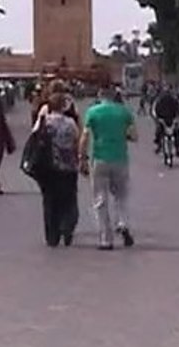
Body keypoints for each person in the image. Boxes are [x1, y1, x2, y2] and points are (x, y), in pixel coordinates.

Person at [80, 87, 137, 250]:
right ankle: (123, 223)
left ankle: (106, 239)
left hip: (99, 159)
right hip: (120, 158)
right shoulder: (124, 112)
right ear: (114, 96)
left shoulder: (92, 112)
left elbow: (85, 137)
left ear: (100, 96)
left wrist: (82, 157)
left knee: (100, 200)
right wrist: (121, 135)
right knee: (121, 196)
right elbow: (134, 136)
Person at [32, 90, 80, 247]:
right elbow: (76, 142)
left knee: (50, 201)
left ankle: (52, 235)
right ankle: (67, 226)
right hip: (68, 167)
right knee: (69, 199)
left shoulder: (44, 122)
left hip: (48, 167)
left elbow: (34, 138)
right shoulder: (70, 123)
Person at [152, 85, 179, 157]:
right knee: (159, 131)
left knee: (176, 131)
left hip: (169, 120)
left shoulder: (172, 100)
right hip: (164, 120)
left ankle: (176, 148)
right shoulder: (159, 100)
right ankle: (160, 145)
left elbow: (178, 110)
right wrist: (157, 118)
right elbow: (154, 110)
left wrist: (178, 118)